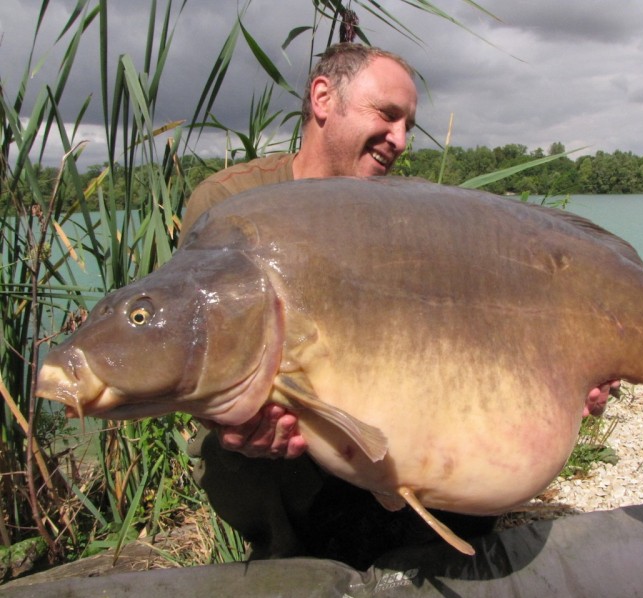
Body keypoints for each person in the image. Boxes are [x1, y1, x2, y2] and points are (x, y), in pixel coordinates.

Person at [183, 42, 619, 568]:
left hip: (392, 429)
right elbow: (194, 346)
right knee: (238, 451)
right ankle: (290, 552)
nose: (401, 140)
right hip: (294, 457)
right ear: (323, 98)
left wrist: (570, 373)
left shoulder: (416, 216)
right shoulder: (230, 205)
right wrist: (229, 425)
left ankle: (431, 537)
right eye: (387, 116)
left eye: (408, 124)